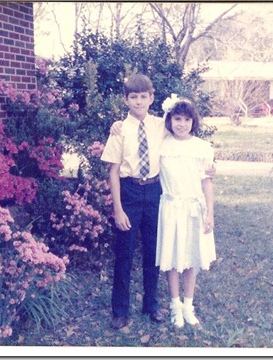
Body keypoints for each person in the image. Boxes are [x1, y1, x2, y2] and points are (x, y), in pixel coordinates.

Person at [100, 74, 166, 330]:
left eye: (143, 97)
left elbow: (186, 132)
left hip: (154, 192)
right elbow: (113, 172)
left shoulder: (162, 125)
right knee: (124, 254)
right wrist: (118, 208)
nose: (139, 102)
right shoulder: (119, 130)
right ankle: (120, 310)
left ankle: (151, 305)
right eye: (133, 97)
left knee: (153, 251)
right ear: (126, 100)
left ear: (151, 98)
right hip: (129, 192)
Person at [155, 95, 216, 329]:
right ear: (170, 120)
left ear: (193, 122)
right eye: (177, 119)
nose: (182, 124)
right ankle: (175, 306)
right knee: (172, 258)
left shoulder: (201, 148)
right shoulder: (162, 145)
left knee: (190, 257)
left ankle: (189, 306)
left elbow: (207, 182)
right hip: (170, 207)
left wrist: (209, 213)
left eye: (187, 119)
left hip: (194, 208)